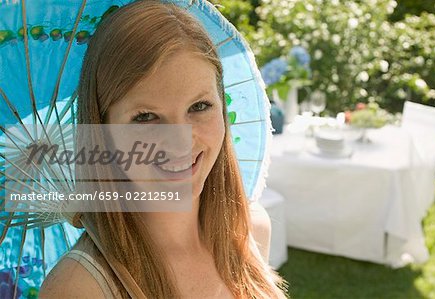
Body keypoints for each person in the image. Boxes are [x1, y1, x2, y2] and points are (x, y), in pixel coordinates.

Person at [39, 1, 288, 298]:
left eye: (199, 106)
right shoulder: (80, 288)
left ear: (223, 108)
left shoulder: (251, 231)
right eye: (145, 117)